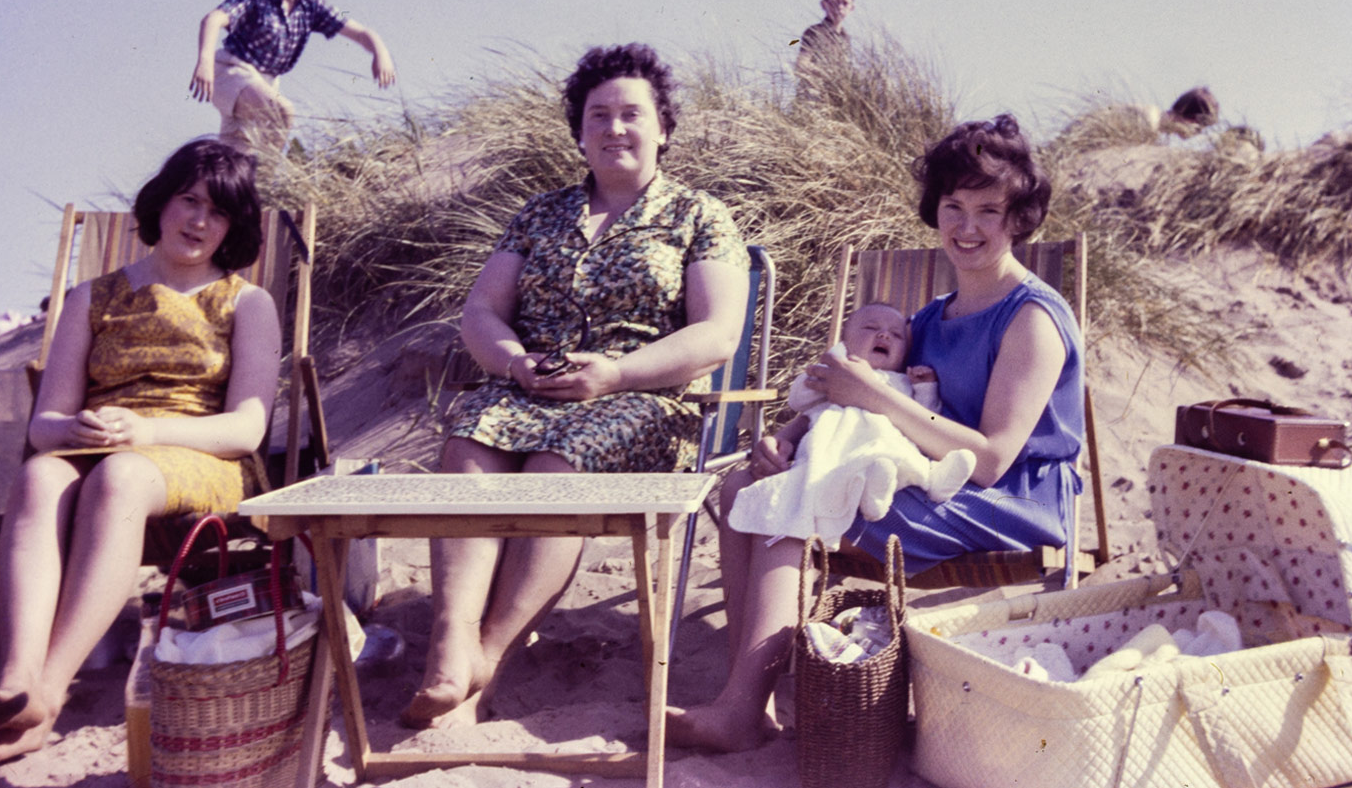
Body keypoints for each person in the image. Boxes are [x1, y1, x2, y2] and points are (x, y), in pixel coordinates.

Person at [669, 114, 1085, 753]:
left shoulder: (1031, 317)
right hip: (918, 475)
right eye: (953, 206)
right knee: (744, 487)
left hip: (1004, 501)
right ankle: (753, 695)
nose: (966, 227)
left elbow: (994, 459)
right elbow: (867, 402)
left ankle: (738, 709)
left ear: (1018, 219)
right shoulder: (929, 318)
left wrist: (865, 395)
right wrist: (787, 435)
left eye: (988, 211)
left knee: (803, 506)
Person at [402, 43, 749, 730]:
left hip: (643, 399)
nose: (615, 127)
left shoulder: (698, 216)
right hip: (530, 387)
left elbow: (716, 335)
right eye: (599, 115)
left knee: (559, 463)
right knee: (468, 440)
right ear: (579, 132)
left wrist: (615, 373)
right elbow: (481, 312)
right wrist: (511, 363)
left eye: (631, 114)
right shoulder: (540, 215)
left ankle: (486, 661)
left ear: (662, 129)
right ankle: (451, 641)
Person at [0, 140, 280, 766]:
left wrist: (145, 432)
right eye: (189, 201)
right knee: (39, 477)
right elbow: (45, 423)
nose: (198, 221)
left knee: (122, 478)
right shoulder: (91, 298)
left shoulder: (246, 302)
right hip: (101, 446)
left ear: (233, 227)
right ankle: (17, 676)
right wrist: (78, 429)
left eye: (218, 213)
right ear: (162, 203)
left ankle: (47, 697)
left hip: (201, 455)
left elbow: (245, 429)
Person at [728, 302, 975, 549]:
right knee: (873, 465)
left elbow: (926, 416)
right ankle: (878, 491)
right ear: (844, 344)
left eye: (897, 335)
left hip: (889, 448)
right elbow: (798, 400)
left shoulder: (903, 383)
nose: (884, 335)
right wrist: (834, 361)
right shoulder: (834, 379)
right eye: (870, 328)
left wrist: (925, 387)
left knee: (895, 457)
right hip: (836, 453)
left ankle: (933, 481)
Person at [189, 0, 396, 152]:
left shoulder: (312, 4)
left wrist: (380, 52)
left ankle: (243, 184)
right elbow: (213, 19)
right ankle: (269, 184)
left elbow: (360, 32)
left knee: (234, 160)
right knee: (282, 112)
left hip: (265, 83)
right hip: (231, 71)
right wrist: (205, 61)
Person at [795, 0, 855, 100]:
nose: (839, 7)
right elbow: (801, 65)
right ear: (824, 4)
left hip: (835, 95)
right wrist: (827, 73)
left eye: (845, 3)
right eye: (834, 2)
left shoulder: (845, 37)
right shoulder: (815, 32)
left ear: (852, 8)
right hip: (813, 94)